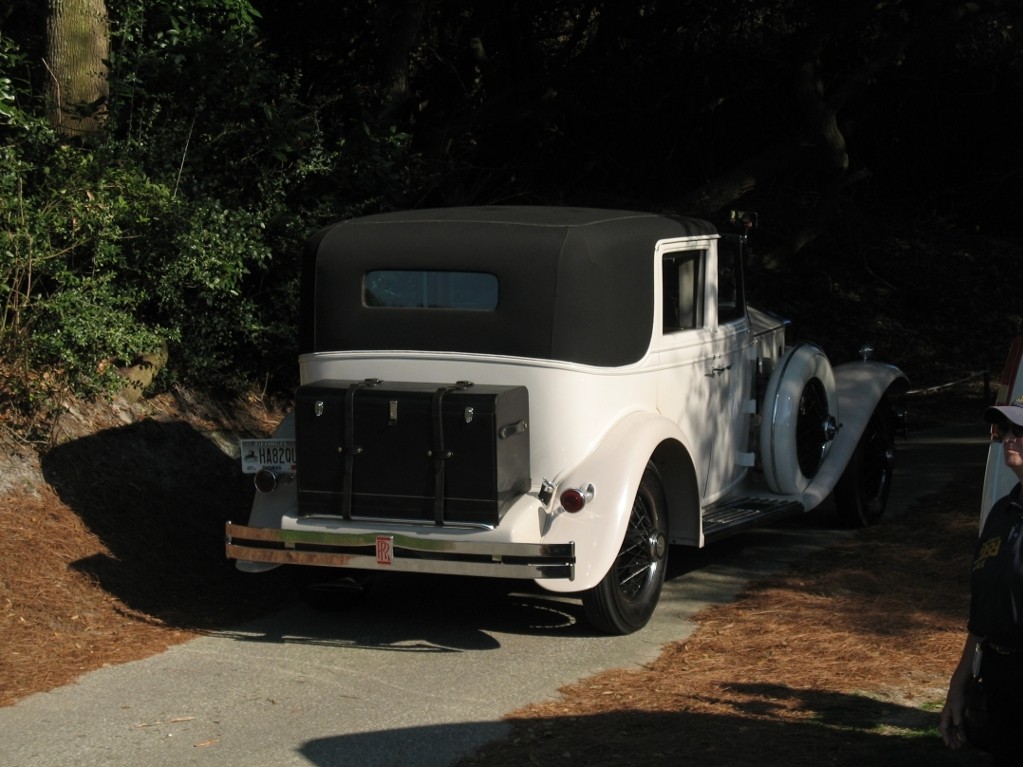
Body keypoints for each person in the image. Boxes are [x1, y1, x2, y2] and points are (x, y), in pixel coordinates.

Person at [941, 394, 1023, 762]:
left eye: (1020, 430)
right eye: (1005, 428)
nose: (1009, 437)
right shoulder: (1002, 513)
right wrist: (960, 679)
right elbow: (985, 605)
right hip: (998, 674)